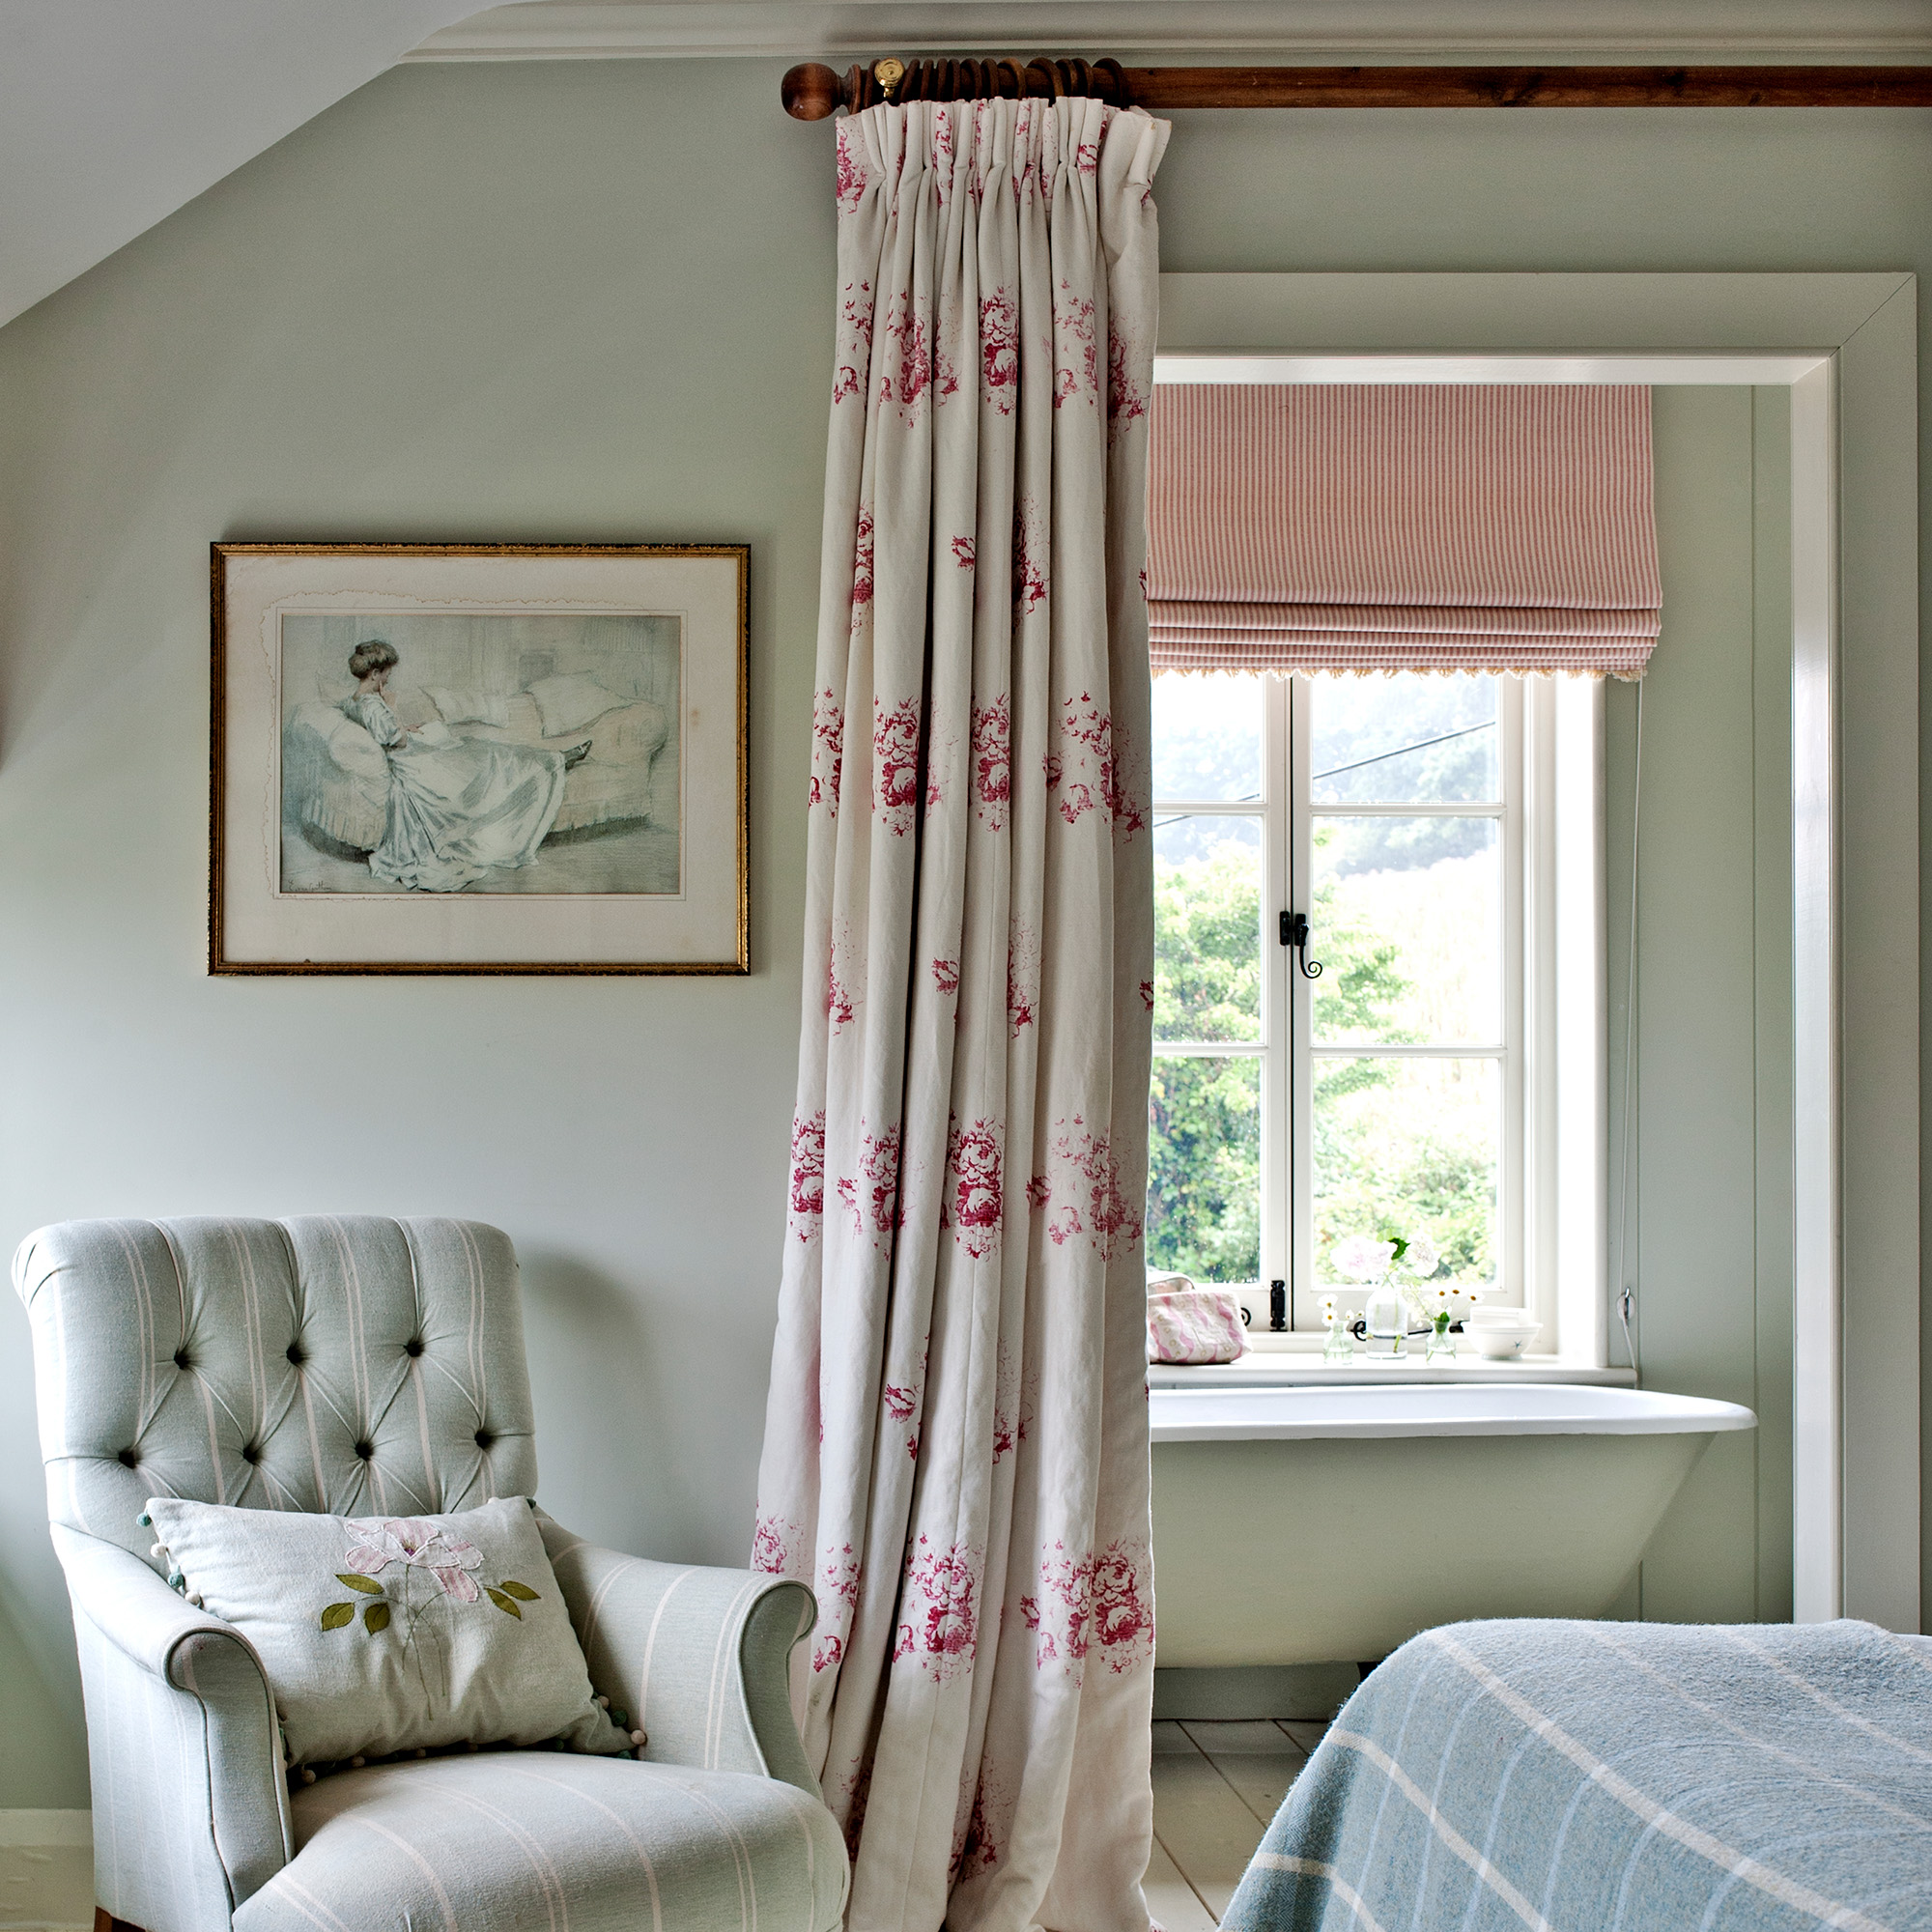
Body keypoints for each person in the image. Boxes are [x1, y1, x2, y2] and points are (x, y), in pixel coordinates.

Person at [342, 640, 589, 893]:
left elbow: (387, 732)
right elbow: (398, 740)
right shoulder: (373, 704)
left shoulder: (354, 701)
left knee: (481, 751)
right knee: (491, 760)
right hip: (413, 763)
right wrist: (393, 708)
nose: (389, 678)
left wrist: (404, 726)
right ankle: (553, 760)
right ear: (375, 674)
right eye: (387, 673)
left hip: (414, 755)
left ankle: (552, 759)